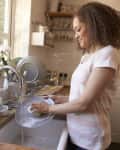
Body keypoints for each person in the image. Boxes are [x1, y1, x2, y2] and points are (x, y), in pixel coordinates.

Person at [32, 2, 120, 150]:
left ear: (94, 26)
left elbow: (83, 104)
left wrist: (48, 109)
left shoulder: (107, 54)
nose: (76, 36)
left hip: (91, 139)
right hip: (77, 134)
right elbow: (83, 96)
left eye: (78, 29)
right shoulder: (88, 55)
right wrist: (61, 99)